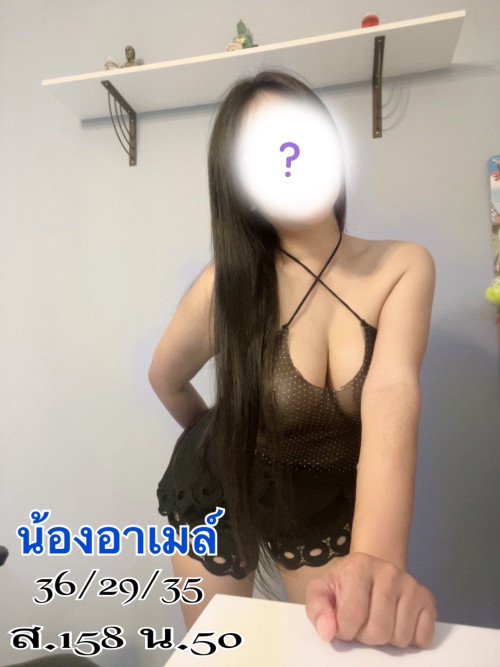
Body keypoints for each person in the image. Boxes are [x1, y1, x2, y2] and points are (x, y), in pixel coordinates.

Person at [149, 69, 437, 648]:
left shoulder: (404, 266)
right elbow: (165, 378)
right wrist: (224, 438)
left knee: (338, 644)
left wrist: (379, 562)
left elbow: (392, 395)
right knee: (219, 652)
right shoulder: (227, 285)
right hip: (215, 492)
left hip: (320, 498)